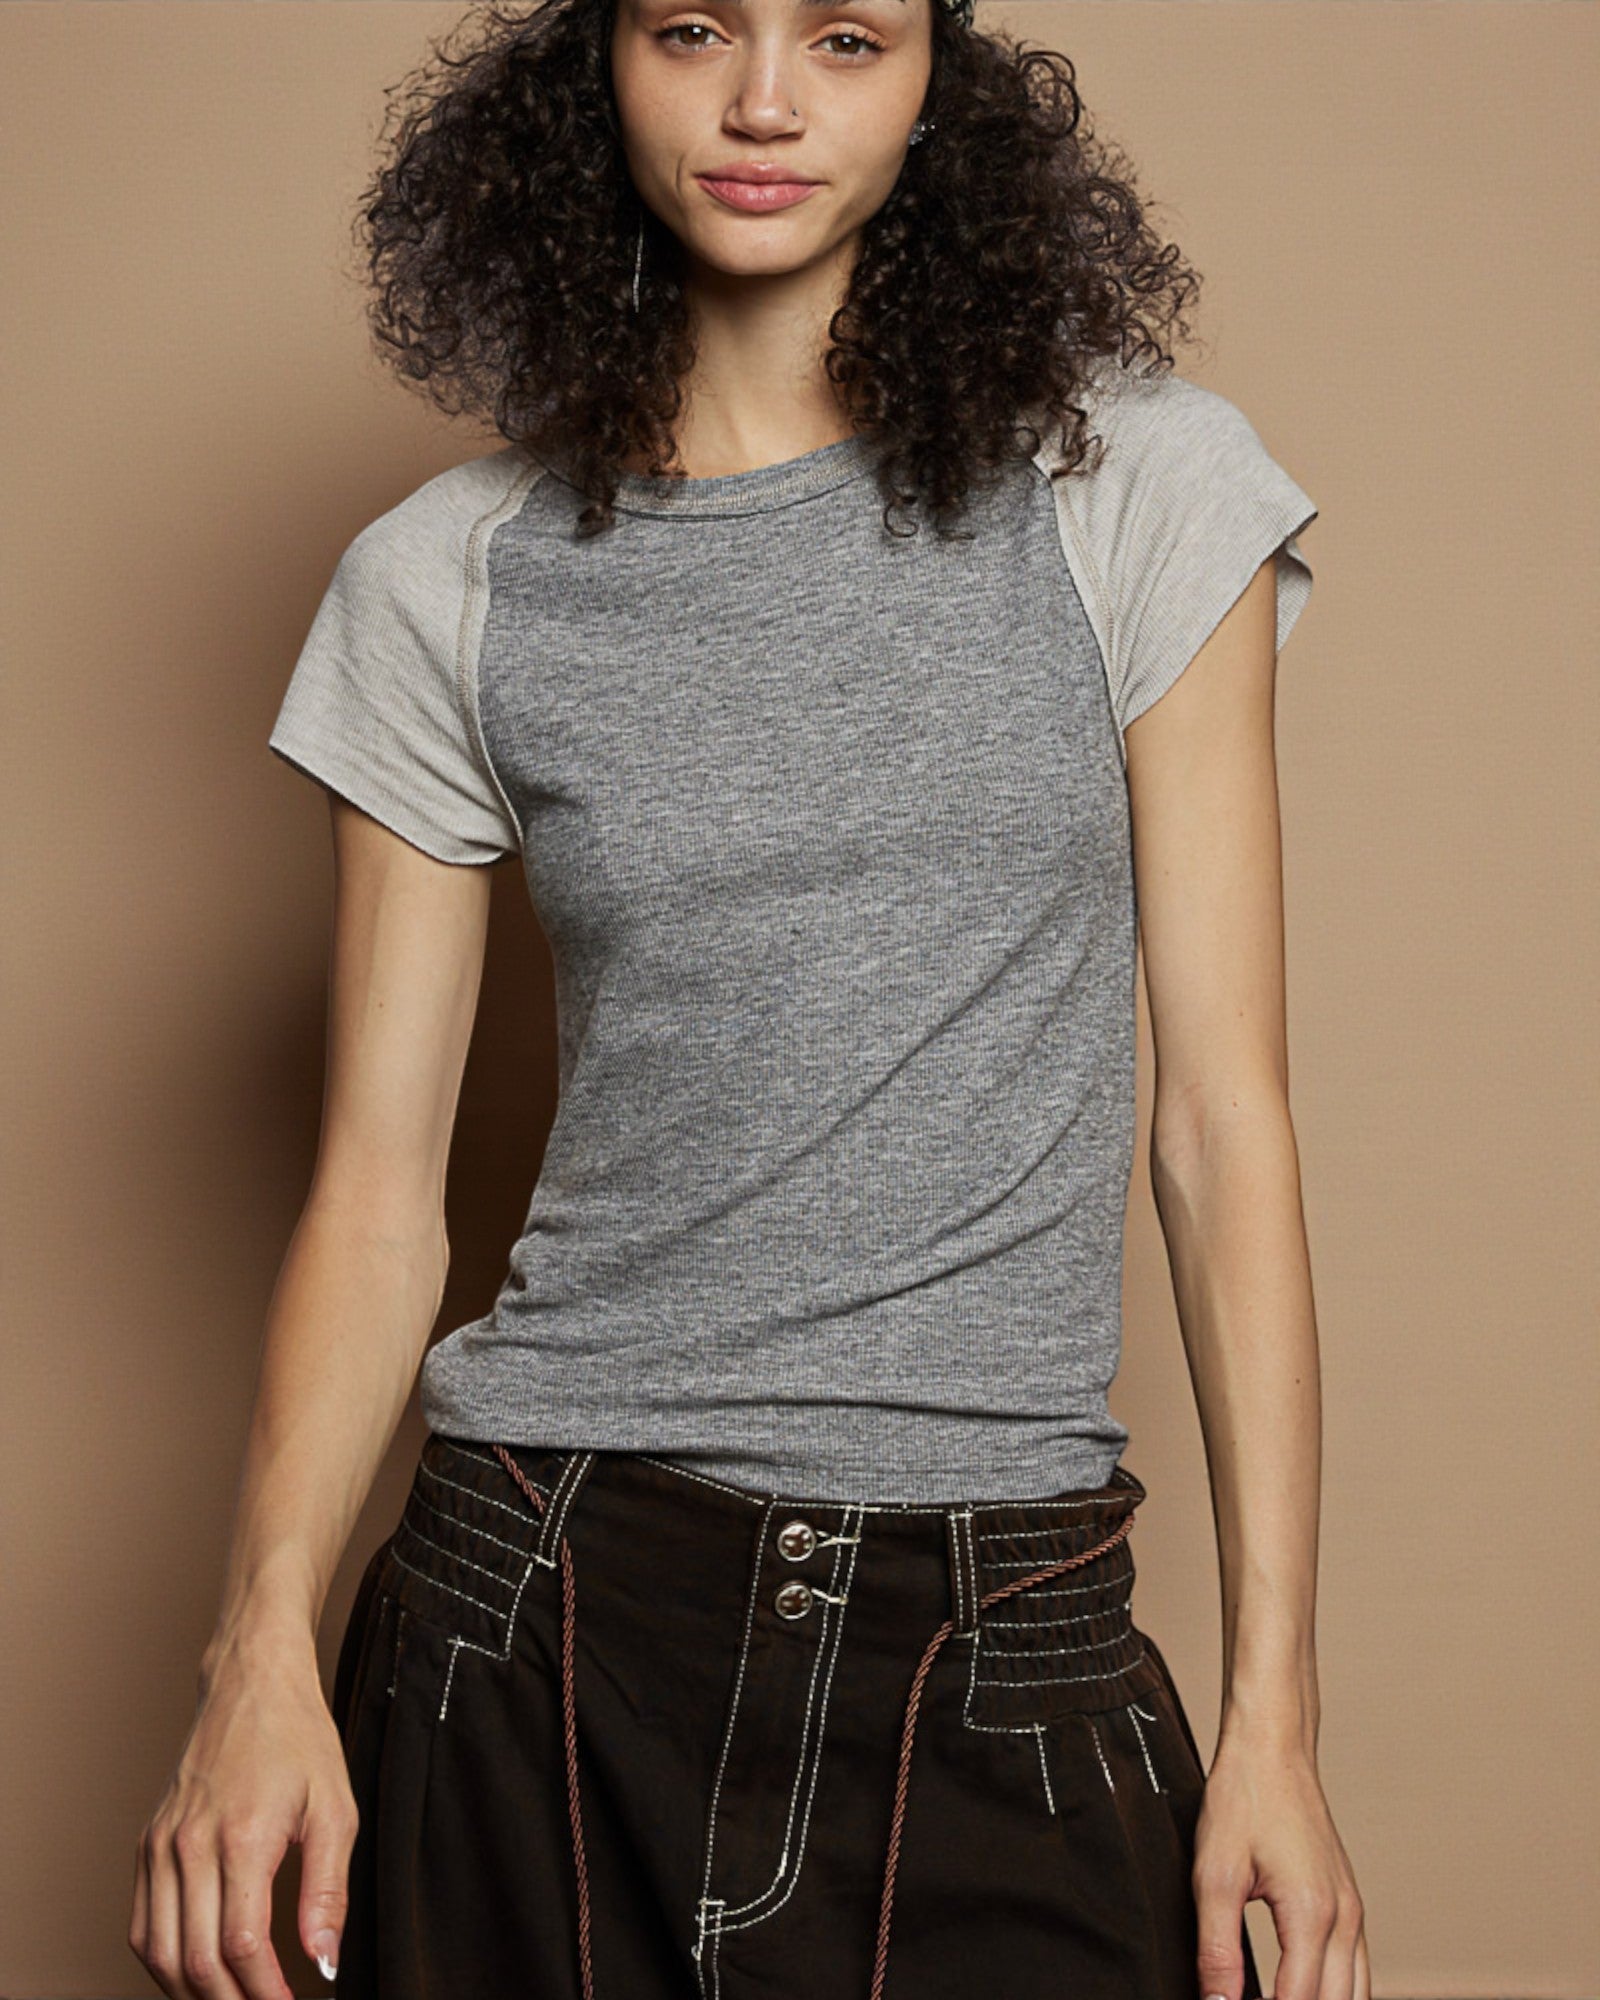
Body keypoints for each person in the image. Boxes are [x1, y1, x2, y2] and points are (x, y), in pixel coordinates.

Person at [130, 0, 1371, 1995]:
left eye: (847, 36)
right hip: (530, 1618)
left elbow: (1222, 1129)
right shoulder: (443, 580)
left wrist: (1274, 1723)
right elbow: (375, 1191)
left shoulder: (1129, 483)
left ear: (934, 86)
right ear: (589, 70)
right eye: (692, 26)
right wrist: (255, 1655)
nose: (765, 100)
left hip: (993, 1626)